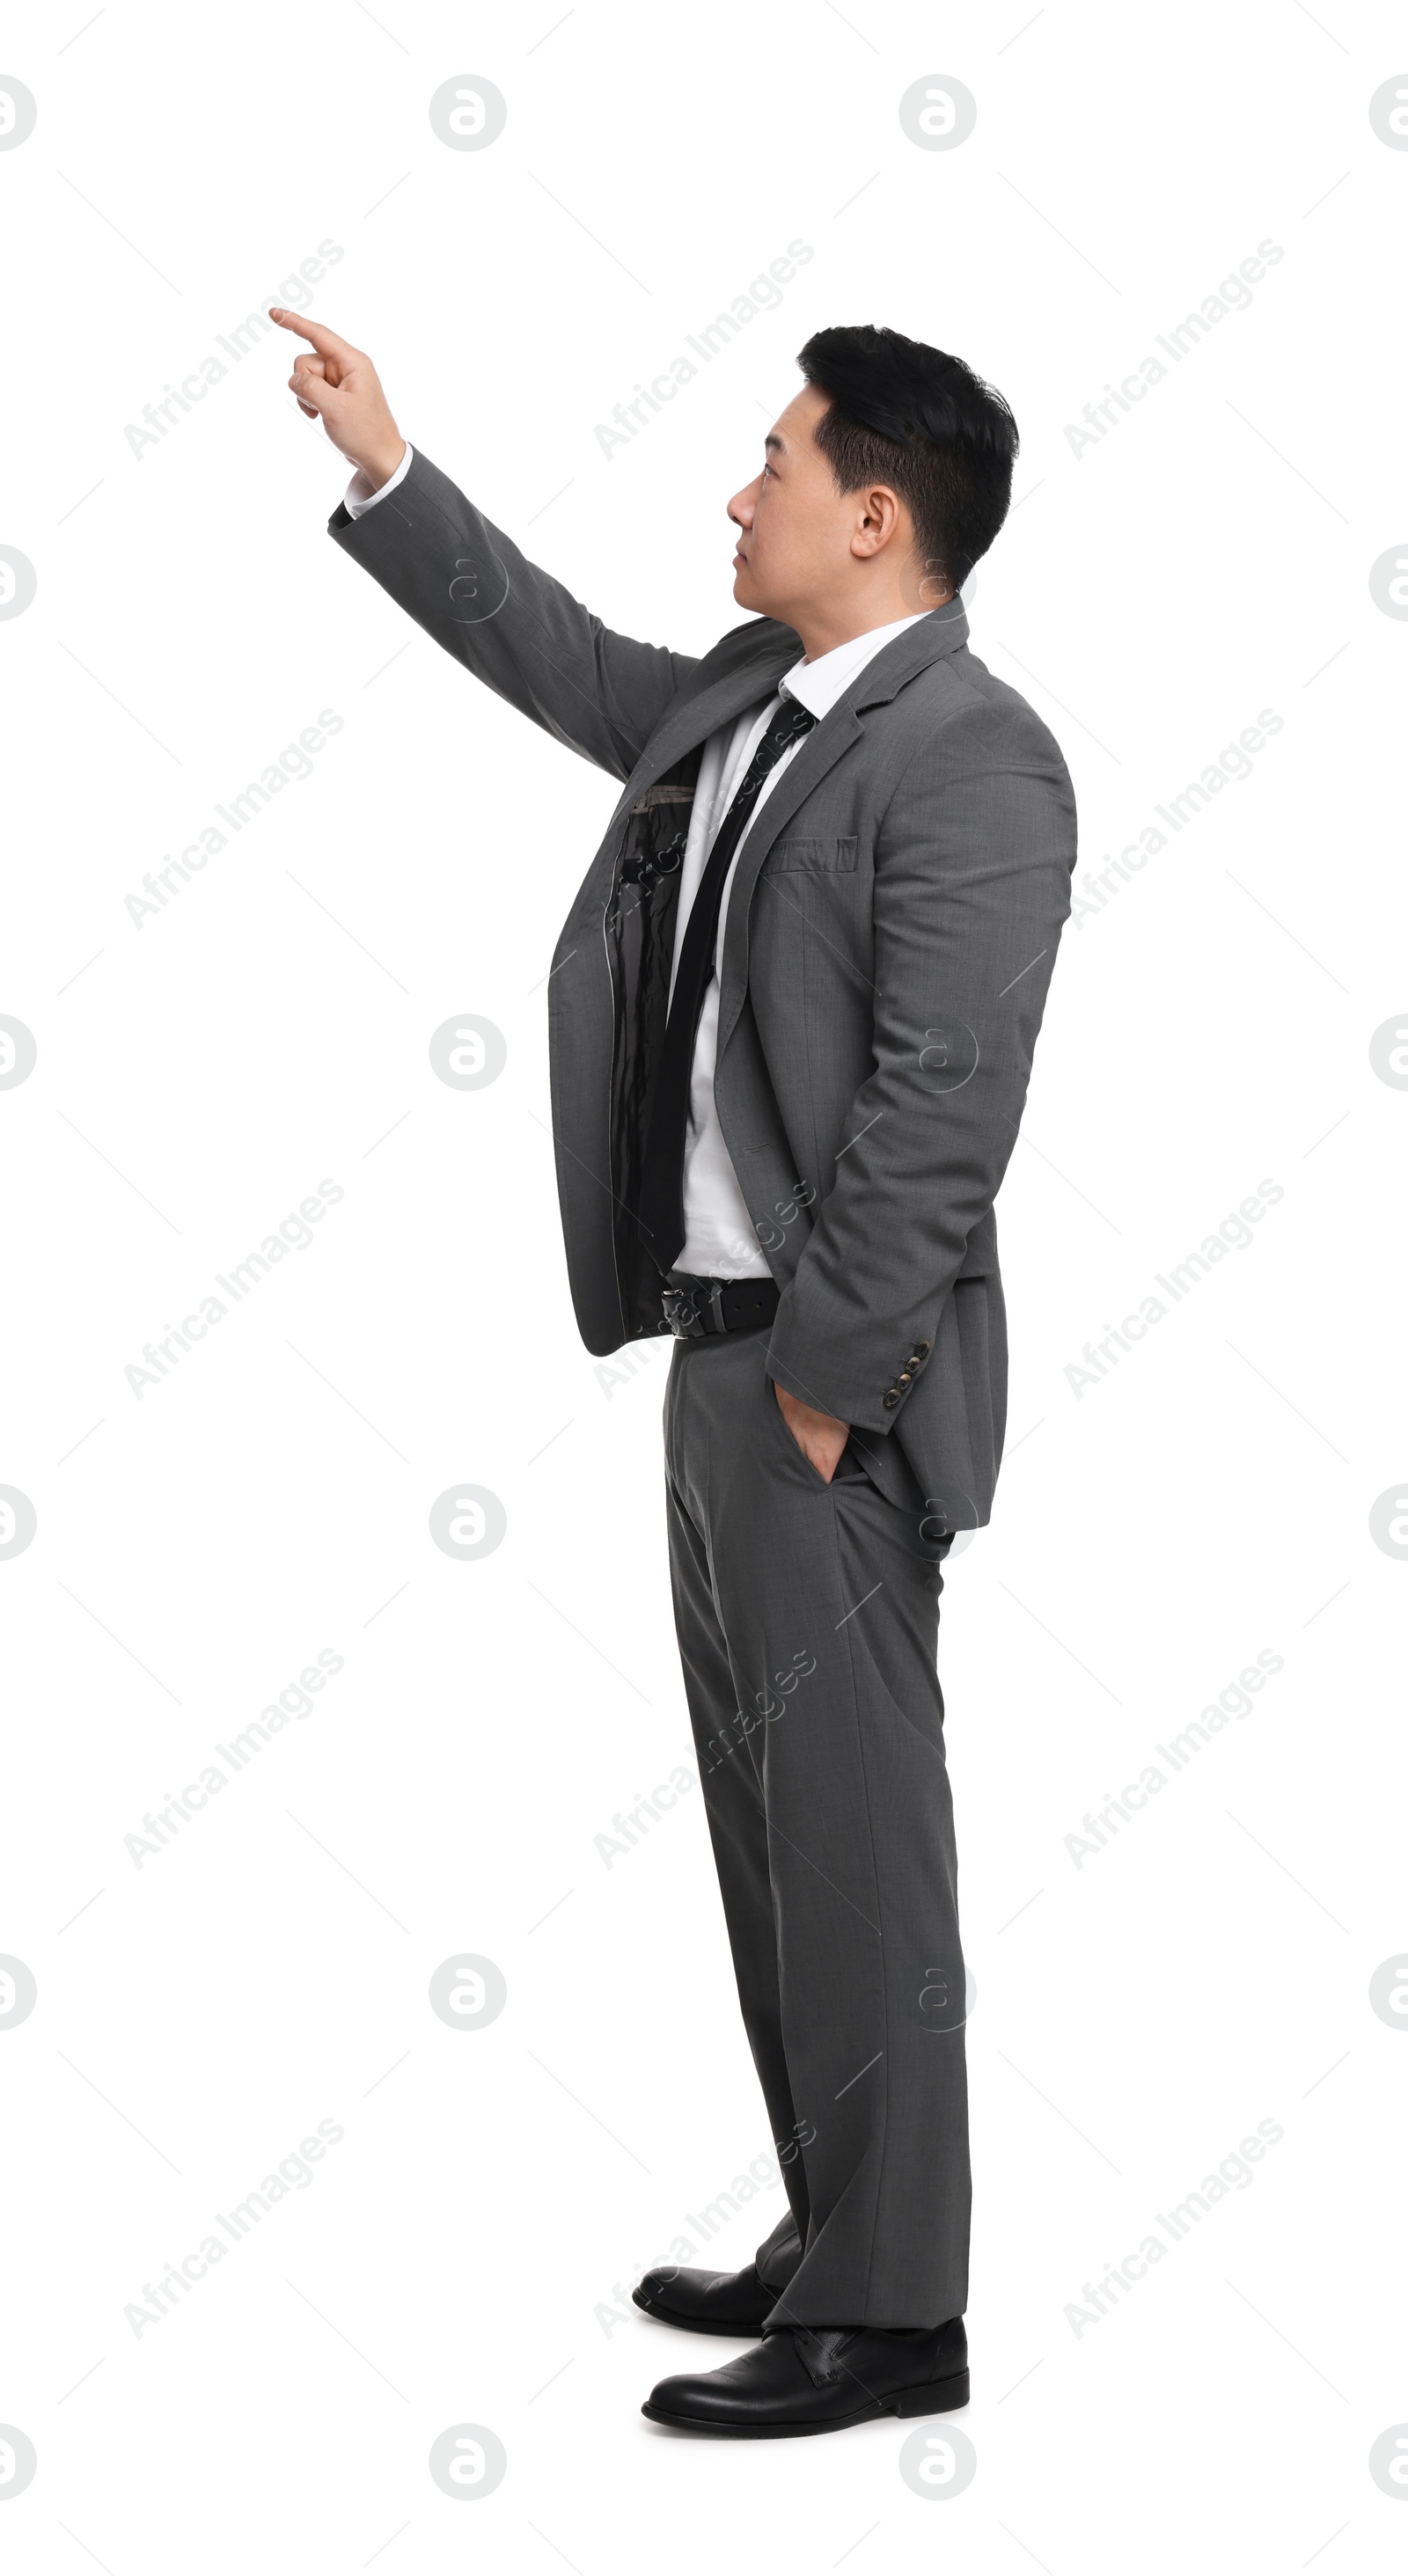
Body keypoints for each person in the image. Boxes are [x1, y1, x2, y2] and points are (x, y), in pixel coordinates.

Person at [273, 306, 1077, 2438]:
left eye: (777, 464)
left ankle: (897, 2317)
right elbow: (555, 660)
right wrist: (385, 464)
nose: (739, 493)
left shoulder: (971, 751)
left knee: (860, 1848)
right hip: (711, 1370)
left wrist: (823, 1384)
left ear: (874, 515)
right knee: (768, 1843)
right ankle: (836, 2230)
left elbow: (940, 1106)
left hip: (829, 1389)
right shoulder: (740, 699)